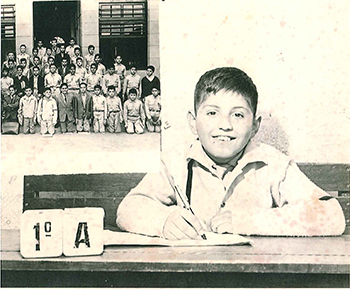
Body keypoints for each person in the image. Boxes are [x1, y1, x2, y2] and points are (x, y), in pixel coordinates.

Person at [117, 67, 346, 239]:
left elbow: (332, 216)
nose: (224, 125)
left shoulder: (273, 165)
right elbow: (128, 208)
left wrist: (250, 221)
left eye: (238, 115)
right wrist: (163, 220)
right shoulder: (175, 162)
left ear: (255, 126)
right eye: (212, 113)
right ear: (193, 122)